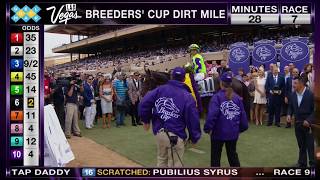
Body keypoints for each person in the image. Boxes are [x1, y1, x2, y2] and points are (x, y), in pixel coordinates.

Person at [139, 67, 201, 167]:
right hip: (177, 134)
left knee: (161, 161)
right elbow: (193, 119)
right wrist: (194, 137)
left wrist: (146, 120)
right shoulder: (187, 96)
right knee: (176, 165)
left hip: (160, 132)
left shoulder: (159, 90)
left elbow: (144, 103)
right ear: (184, 79)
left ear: (172, 77)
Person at [204, 72, 248, 167]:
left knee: (215, 157)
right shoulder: (237, 98)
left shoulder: (216, 97)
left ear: (221, 83)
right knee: (232, 156)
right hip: (233, 132)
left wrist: (207, 129)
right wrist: (241, 128)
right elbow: (243, 116)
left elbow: (212, 115)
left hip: (217, 133)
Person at [287, 76, 315, 167]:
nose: (293, 85)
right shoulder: (293, 94)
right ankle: (302, 163)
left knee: (310, 145)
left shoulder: (310, 94)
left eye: (295, 83)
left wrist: (309, 120)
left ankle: (312, 164)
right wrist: (289, 114)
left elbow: (316, 110)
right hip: (298, 124)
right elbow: (290, 106)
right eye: (293, 83)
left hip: (309, 125)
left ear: (301, 84)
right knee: (301, 144)